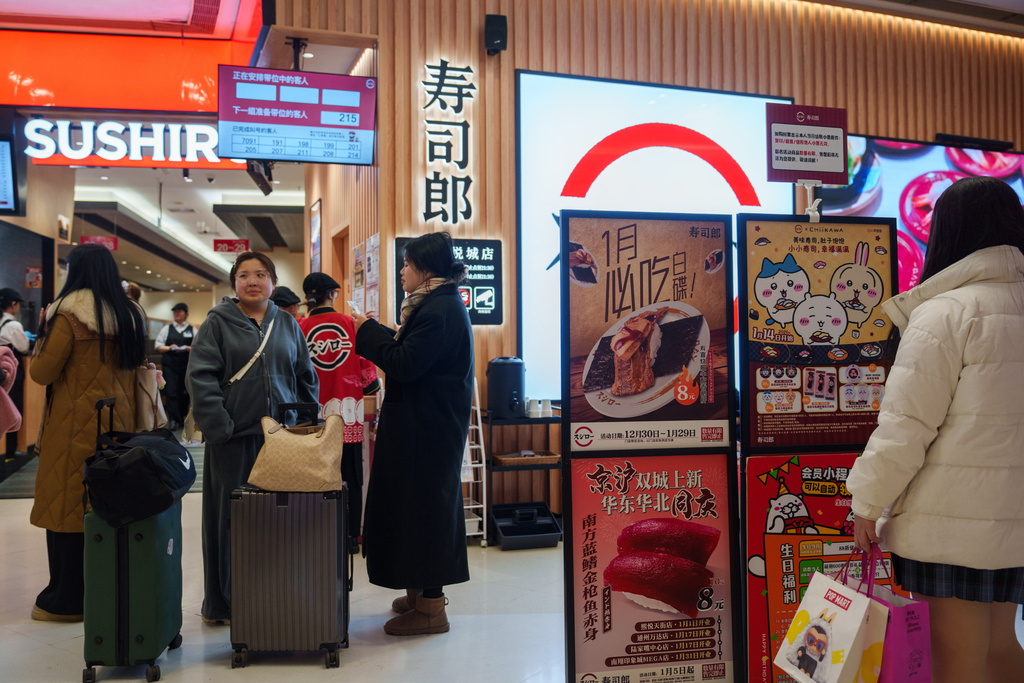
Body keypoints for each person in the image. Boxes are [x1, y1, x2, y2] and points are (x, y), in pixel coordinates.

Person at [848, 176, 1024, 683]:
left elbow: (905, 428)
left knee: (956, 662)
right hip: (1013, 522)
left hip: (951, 524)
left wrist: (866, 502)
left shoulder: (945, 313)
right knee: (1000, 649)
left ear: (945, 233)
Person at [186, 251, 318, 625]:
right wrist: (220, 427)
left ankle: (274, 592)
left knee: (281, 520)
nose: (253, 281)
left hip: (282, 440)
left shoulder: (288, 324)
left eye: (261, 274)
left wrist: (303, 422)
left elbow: (305, 376)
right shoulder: (217, 322)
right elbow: (200, 378)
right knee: (229, 521)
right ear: (234, 283)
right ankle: (224, 603)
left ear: (273, 282)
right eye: (244, 275)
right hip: (234, 439)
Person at [353, 231, 473, 636]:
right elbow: (413, 354)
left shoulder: (440, 309)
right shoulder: (434, 304)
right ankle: (419, 591)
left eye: (406, 264)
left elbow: (404, 364)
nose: (402, 271)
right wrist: (378, 332)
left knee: (425, 513)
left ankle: (431, 608)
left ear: (425, 269)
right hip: (425, 427)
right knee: (413, 510)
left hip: (429, 431)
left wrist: (367, 332)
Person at [28, 244, 147, 621]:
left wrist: (43, 330)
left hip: (73, 428)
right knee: (112, 505)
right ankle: (110, 592)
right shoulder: (130, 315)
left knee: (66, 508)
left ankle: (65, 600)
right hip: (122, 428)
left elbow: (41, 373)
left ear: (74, 271)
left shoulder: (67, 316)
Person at [297, 272, 380, 553]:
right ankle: (350, 538)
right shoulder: (349, 324)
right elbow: (366, 366)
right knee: (350, 478)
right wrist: (370, 385)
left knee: (315, 476)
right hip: (348, 413)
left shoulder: (300, 327)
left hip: (312, 416)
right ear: (333, 293)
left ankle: (317, 537)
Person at [154, 303, 197, 431]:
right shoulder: (167, 328)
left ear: (186, 313)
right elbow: (158, 346)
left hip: (185, 366)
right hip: (170, 366)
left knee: (184, 393)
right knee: (171, 392)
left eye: (180, 311)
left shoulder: (192, 329)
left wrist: (187, 348)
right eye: (175, 311)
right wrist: (169, 347)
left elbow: (199, 346)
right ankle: (173, 420)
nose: (177, 314)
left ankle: (182, 418)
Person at [0, 287, 32, 459]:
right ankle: (10, 453)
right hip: (11, 374)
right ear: (13, 304)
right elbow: (25, 347)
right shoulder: (13, 325)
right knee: (12, 410)